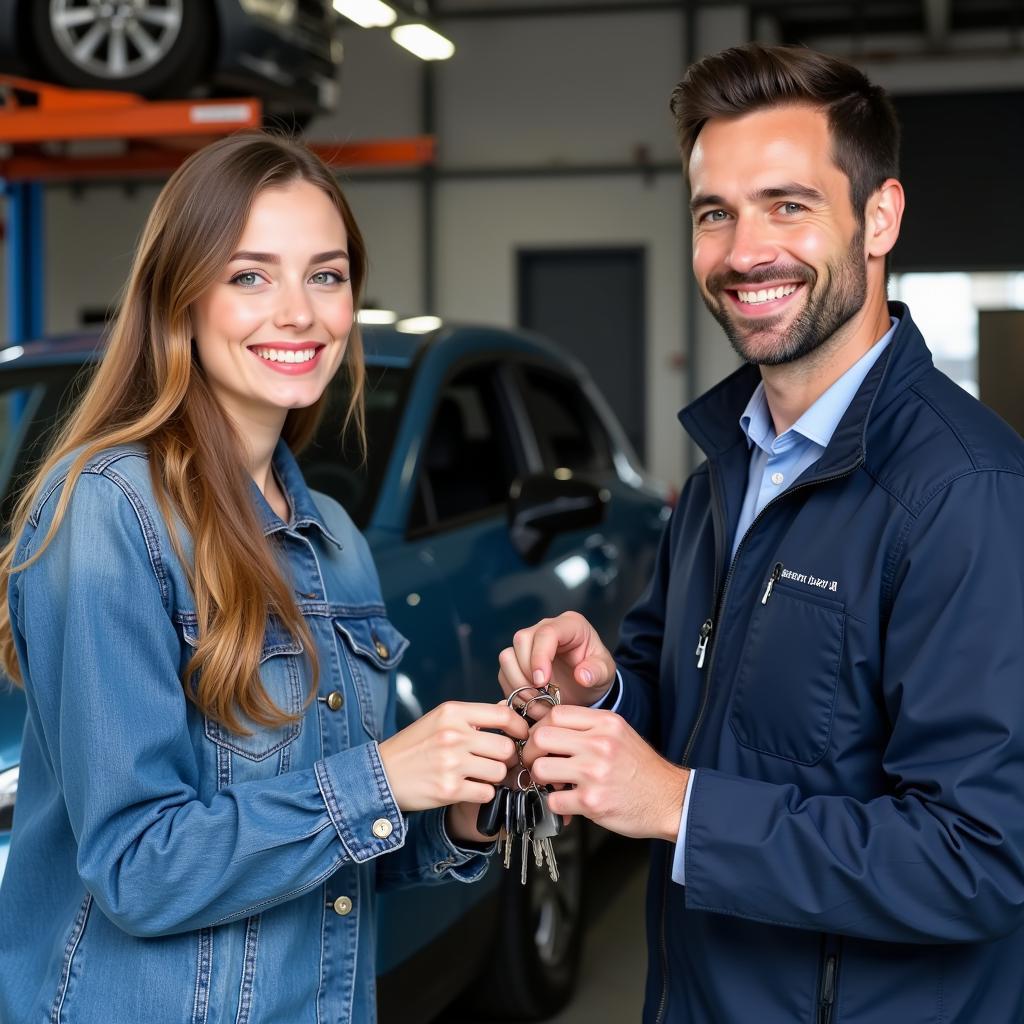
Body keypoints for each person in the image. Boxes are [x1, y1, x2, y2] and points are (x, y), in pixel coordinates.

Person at [500, 43, 1024, 1022]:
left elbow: (979, 859)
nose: (744, 252)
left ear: (879, 218)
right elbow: (697, 703)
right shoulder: (724, 471)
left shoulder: (968, 494)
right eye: (715, 213)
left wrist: (678, 807)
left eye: (787, 204)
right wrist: (608, 690)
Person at [0, 131, 528, 1023]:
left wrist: (468, 800)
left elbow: (328, 850)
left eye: (325, 275)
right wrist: (383, 779)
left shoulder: (333, 538)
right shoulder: (108, 511)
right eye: (250, 276)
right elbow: (140, 867)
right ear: (181, 299)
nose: (299, 312)